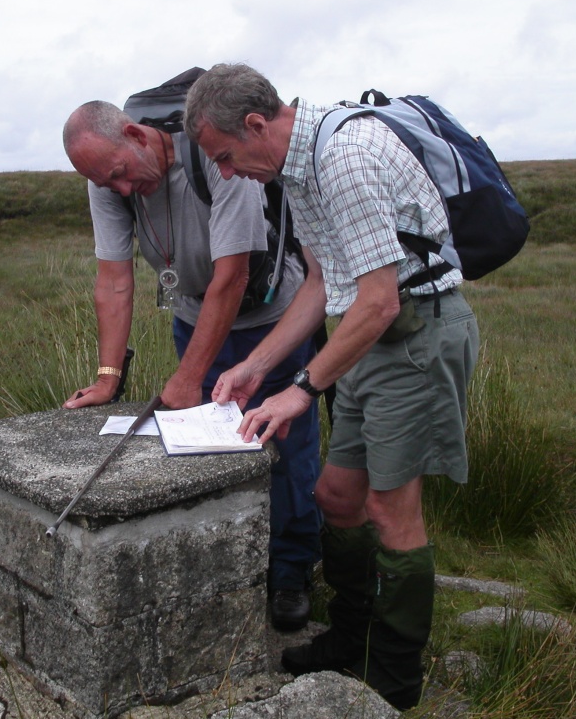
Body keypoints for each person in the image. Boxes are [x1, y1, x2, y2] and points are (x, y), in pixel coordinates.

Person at [184, 64, 480, 710]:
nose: (226, 175)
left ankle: (395, 680)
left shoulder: (344, 157)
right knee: (336, 497)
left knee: (391, 512)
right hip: (371, 339)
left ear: (255, 125)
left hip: (419, 337)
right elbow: (323, 285)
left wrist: (301, 389)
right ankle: (351, 636)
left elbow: (378, 301)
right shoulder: (297, 170)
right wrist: (256, 365)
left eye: (225, 157)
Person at [61, 100, 322, 630]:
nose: (122, 191)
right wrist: (108, 378)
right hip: (194, 317)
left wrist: (187, 378)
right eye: (107, 184)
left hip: (271, 316)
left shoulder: (213, 156)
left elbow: (232, 275)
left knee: (283, 444)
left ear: (136, 134)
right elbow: (113, 280)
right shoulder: (106, 178)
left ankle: (291, 569)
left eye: (121, 174)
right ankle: (227, 560)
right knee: (208, 446)